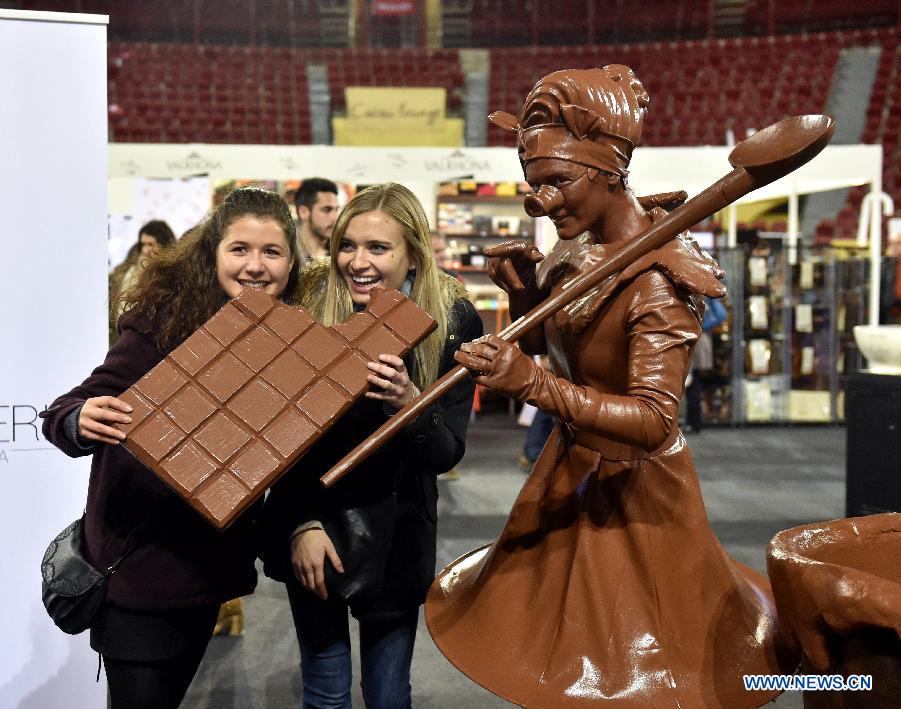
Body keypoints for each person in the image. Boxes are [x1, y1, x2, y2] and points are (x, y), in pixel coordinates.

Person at [425, 66, 796, 708]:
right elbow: (560, 350)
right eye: (533, 187)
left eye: (557, 182)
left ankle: (838, 679)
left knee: (647, 671)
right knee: (561, 660)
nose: (541, 202)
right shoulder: (579, 254)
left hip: (635, 494)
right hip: (573, 472)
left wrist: (535, 383)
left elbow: (655, 421)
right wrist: (521, 297)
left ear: (609, 172)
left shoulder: (660, 282)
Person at [41, 188, 300, 709]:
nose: (255, 266)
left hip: (202, 574)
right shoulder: (162, 324)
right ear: (213, 255)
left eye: (271, 252)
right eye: (240, 249)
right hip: (139, 573)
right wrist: (79, 420)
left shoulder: (286, 335)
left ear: (292, 263)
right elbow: (69, 408)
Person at [260, 182, 482, 709]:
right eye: (347, 245)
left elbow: (446, 452)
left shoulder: (453, 322)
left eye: (378, 248)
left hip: (397, 541)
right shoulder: (306, 309)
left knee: (387, 696)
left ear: (412, 254)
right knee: (326, 695)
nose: (357, 262)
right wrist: (300, 524)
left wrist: (407, 403)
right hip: (315, 529)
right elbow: (277, 438)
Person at [109, 220, 177, 344]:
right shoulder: (132, 271)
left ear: (163, 244)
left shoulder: (173, 271)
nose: (145, 250)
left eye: (151, 244)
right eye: (143, 244)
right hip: (130, 335)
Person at [684, 295, 728, 433]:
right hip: (700, 340)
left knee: (693, 382)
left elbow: (722, 315)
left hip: (696, 340)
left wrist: (701, 326)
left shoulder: (701, 293)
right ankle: (694, 421)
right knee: (694, 381)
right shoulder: (703, 293)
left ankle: (693, 421)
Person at [295, 177, 340, 265]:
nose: (335, 217)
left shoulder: (339, 253)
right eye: (327, 209)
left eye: (336, 210)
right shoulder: (289, 254)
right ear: (303, 212)